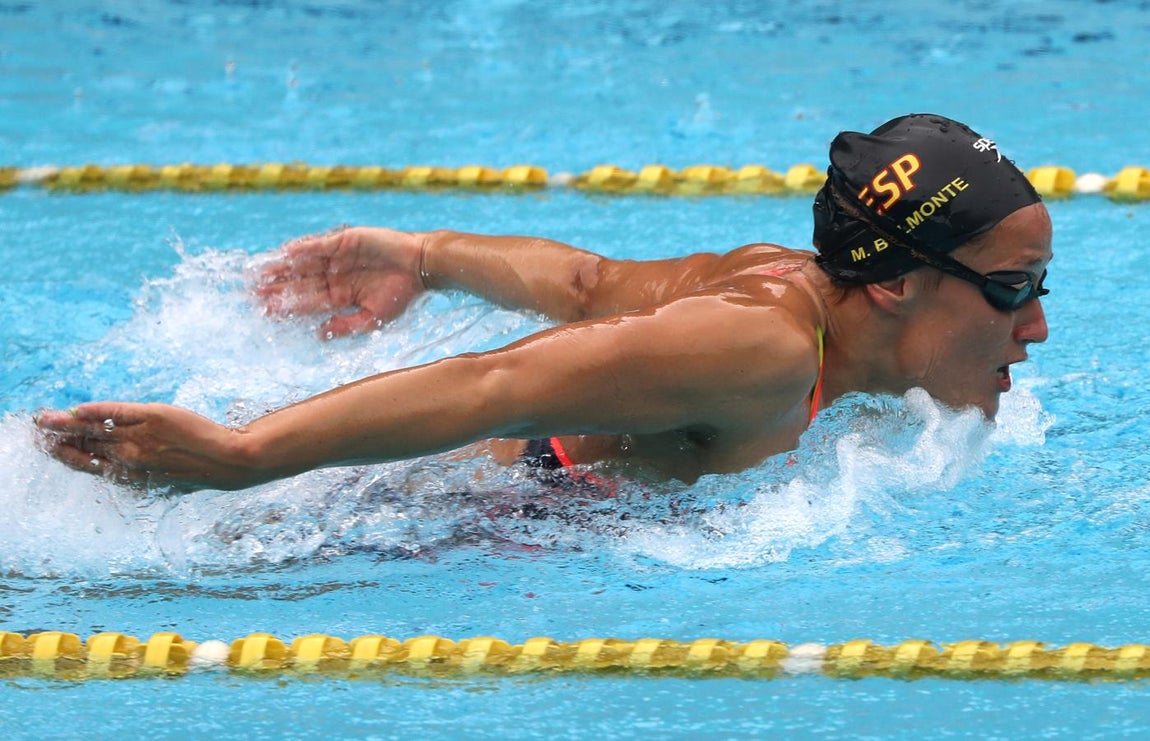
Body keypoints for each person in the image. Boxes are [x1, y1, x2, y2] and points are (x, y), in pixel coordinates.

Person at [37, 113, 1052, 491]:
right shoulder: (762, 348)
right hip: (455, 519)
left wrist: (425, 252)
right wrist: (241, 456)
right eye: (1011, 291)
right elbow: (501, 381)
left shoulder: (780, 275)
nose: (1034, 326)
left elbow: (584, 286)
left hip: (490, 494)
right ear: (898, 280)